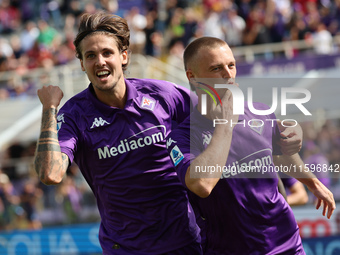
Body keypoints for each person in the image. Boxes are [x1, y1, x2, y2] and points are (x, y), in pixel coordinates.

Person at [33, 12, 202, 255]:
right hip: (125, 248)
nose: (99, 61)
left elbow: (216, 122)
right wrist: (49, 109)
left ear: (123, 56)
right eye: (90, 56)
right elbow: (50, 173)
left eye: (107, 53)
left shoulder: (163, 95)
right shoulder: (73, 115)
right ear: (82, 64)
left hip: (186, 240)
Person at [166, 36, 335, 254]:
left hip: (287, 245)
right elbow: (202, 185)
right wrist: (225, 123)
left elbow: (281, 155)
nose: (228, 74)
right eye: (216, 68)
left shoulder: (260, 112)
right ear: (193, 76)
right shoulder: (181, 136)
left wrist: (314, 184)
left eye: (231, 65)